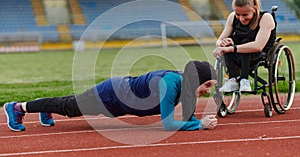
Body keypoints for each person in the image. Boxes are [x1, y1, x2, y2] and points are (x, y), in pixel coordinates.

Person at [4, 60, 218, 132]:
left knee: (70, 103)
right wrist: (199, 126)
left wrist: (197, 122)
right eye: (207, 84)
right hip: (111, 94)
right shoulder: (169, 83)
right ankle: (17, 107)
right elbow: (168, 123)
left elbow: (188, 118)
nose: (208, 89)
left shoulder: (190, 90)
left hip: (121, 100)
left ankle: (45, 108)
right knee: (69, 108)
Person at [213, 0, 276, 92]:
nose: (241, 19)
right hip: (237, 51)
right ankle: (232, 80)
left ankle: (244, 80)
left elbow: (258, 46)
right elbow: (219, 41)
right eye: (238, 14)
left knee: (245, 44)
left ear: (254, 9)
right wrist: (223, 43)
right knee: (227, 44)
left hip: (259, 53)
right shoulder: (232, 17)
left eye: (245, 15)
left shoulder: (265, 18)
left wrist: (231, 48)